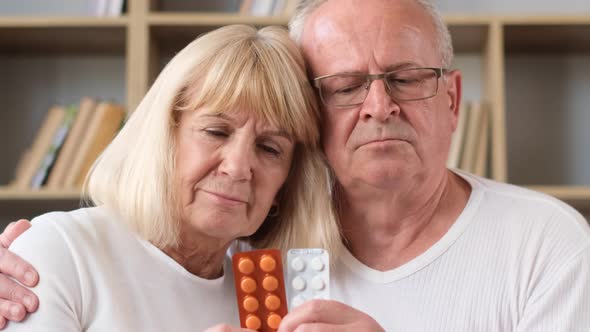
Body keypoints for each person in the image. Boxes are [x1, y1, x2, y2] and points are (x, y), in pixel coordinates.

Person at [1, 0, 590, 331]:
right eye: (346, 86)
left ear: (453, 99)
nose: (379, 107)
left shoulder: (547, 245)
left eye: (407, 79)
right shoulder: (252, 258)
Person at [0, 24, 340, 331]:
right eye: (216, 131)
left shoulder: (267, 301)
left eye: (269, 148)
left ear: (284, 187)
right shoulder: (60, 249)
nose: (237, 167)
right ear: (163, 138)